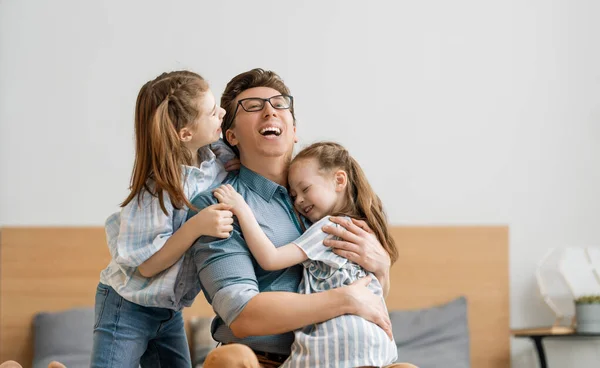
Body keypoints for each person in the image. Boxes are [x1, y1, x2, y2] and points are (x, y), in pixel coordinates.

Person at [185, 68, 416, 368]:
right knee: (230, 360)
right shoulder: (219, 205)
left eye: (280, 104)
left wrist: (382, 270)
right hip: (259, 361)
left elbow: (363, 291)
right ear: (230, 135)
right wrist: (344, 300)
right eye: (253, 106)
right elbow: (242, 315)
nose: (269, 111)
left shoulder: (335, 200)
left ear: (294, 129)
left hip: (337, 357)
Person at [91, 70, 238, 368]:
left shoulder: (215, 158)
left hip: (168, 312)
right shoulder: (155, 189)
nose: (222, 112)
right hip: (127, 306)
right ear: (185, 134)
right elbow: (147, 266)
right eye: (212, 112)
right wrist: (196, 226)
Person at [212, 141, 399, 367]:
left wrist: (242, 208)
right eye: (293, 195)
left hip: (333, 347)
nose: (298, 200)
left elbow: (270, 258)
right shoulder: (366, 231)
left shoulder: (328, 227)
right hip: (377, 349)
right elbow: (376, 294)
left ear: (339, 180)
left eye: (305, 189)